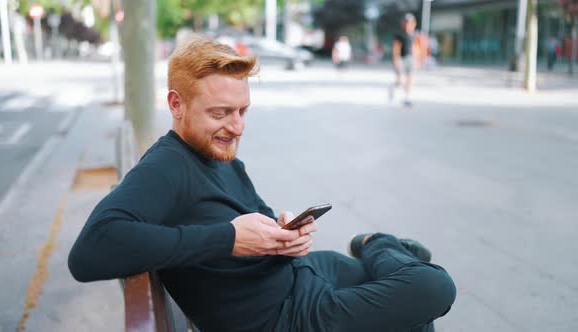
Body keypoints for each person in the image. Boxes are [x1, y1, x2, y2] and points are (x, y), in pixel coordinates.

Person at [68, 35, 456, 332]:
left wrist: (285, 235)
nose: (236, 126)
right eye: (220, 113)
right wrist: (229, 239)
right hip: (292, 318)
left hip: (305, 276)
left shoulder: (221, 155)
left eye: (242, 111)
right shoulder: (166, 168)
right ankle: (380, 245)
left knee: (413, 310)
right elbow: (89, 253)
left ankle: (380, 249)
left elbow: (260, 220)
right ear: (176, 104)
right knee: (432, 287)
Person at [390, 13, 417, 108]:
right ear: (403, 23)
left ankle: (407, 98)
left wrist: (416, 59)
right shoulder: (399, 34)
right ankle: (393, 91)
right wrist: (396, 59)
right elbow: (396, 48)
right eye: (406, 22)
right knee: (399, 80)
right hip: (401, 58)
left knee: (409, 79)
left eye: (410, 22)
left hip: (410, 58)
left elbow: (414, 47)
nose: (408, 24)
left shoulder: (414, 34)